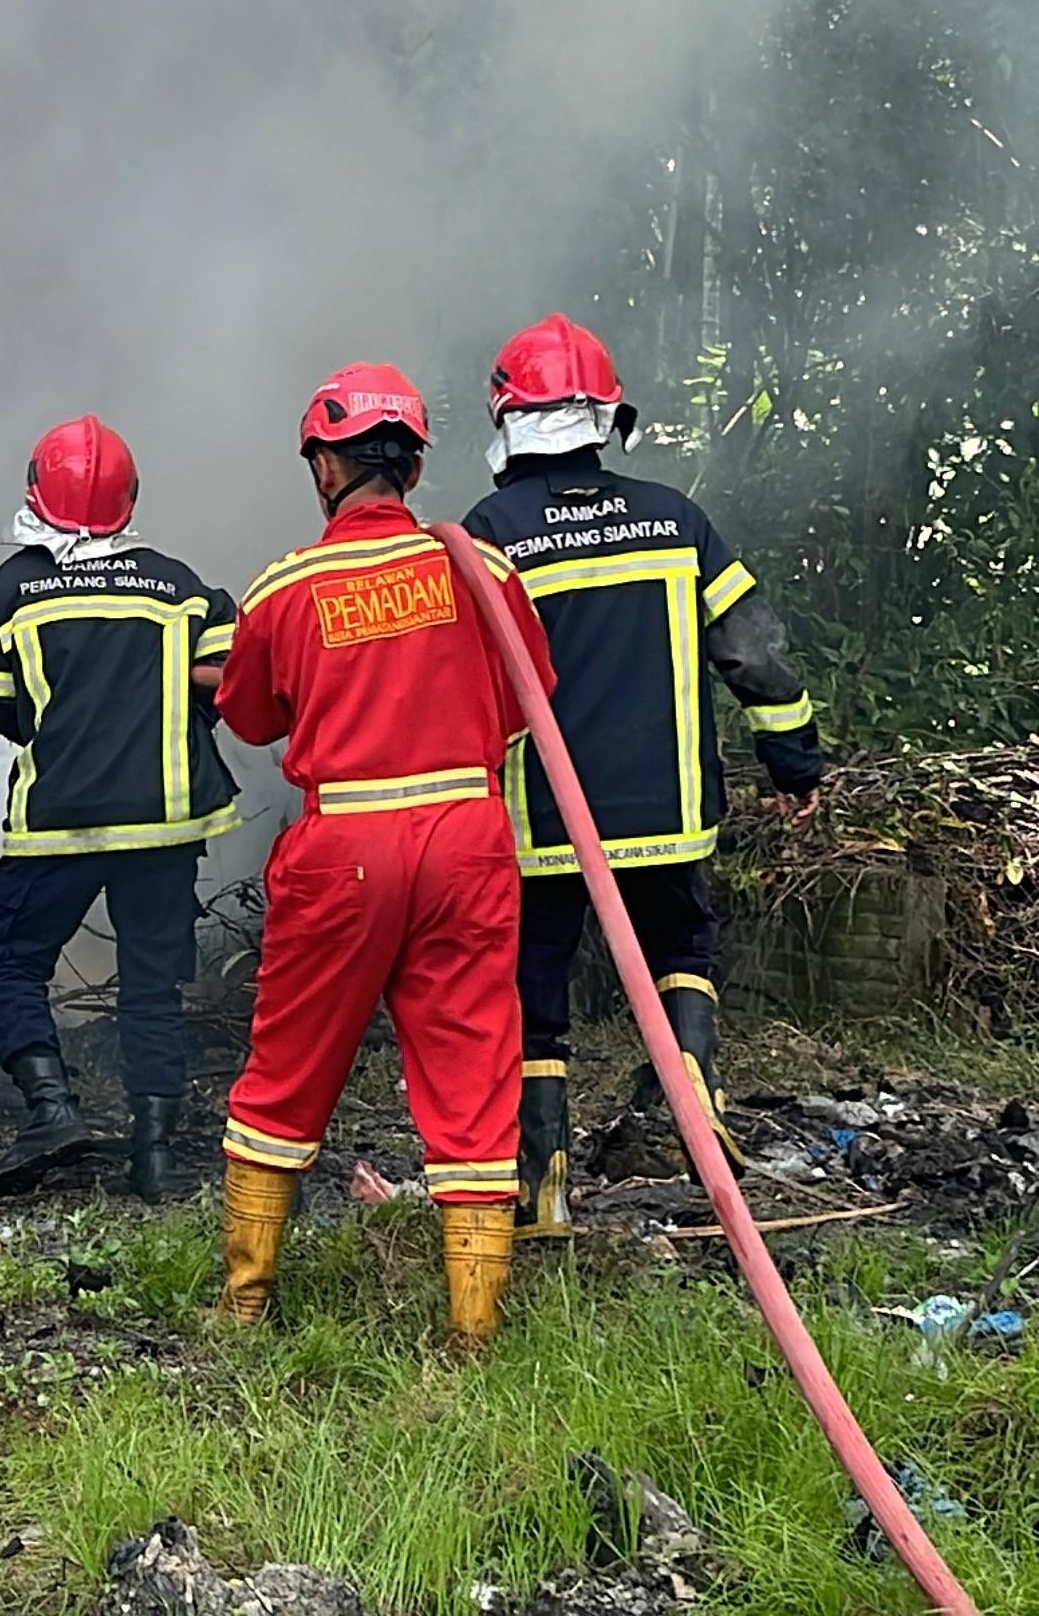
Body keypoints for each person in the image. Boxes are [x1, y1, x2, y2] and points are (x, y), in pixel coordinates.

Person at [214, 364, 555, 1348]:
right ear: (409, 466)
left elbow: (251, 716)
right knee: (473, 1072)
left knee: (287, 1067)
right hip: (465, 841)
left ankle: (244, 1303)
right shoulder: (482, 571)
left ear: (327, 468)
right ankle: (472, 1332)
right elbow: (528, 697)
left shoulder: (288, 585)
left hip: (344, 845)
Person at [461, 314, 823, 1236]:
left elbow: (455, 679)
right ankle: (692, 1089)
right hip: (669, 809)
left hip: (545, 820)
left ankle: (542, 1179)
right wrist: (794, 759)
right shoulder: (675, 519)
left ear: (509, 422)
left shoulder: (489, 534)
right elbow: (754, 653)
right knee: (681, 949)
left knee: (535, 990)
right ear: (606, 419)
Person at [0, 414, 240, 1201]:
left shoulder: (13, 589)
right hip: (166, 820)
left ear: (36, 493)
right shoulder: (178, 586)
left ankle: (52, 1110)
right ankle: (154, 1157)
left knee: (7, 960)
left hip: (60, 820)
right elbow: (234, 677)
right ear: (131, 499)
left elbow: (1, 707)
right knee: (151, 985)